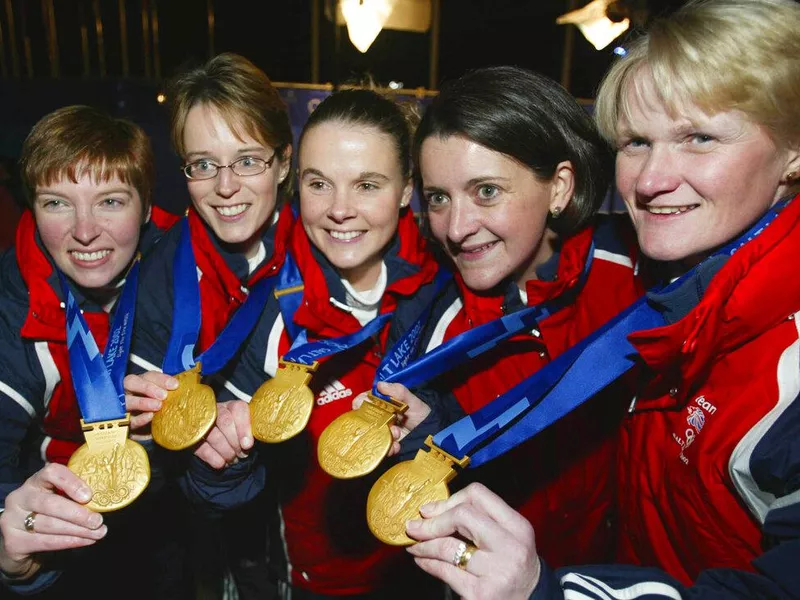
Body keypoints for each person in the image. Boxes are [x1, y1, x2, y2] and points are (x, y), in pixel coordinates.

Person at [403, 1, 800, 598]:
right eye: (636, 141)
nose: (649, 179)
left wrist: (548, 591)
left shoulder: (638, 278)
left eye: (699, 137)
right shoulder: (682, 285)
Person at [172, 88, 443, 598]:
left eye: (367, 184)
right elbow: (208, 497)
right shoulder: (269, 308)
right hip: (295, 581)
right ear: (297, 184)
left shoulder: (447, 291)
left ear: (407, 189)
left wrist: (435, 427)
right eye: (319, 184)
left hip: (423, 576)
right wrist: (227, 455)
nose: (340, 210)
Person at [366, 65, 640, 568]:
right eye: (439, 198)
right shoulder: (433, 332)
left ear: (559, 187)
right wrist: (437, 438)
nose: (457, 227)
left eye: (486, 191)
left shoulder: (643, 273)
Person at [123, 52, 295, 598]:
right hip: (205, 529)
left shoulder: (328, 258)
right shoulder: (158, 274)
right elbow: (143, 458)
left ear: (284, 163)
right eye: (203, 164)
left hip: (305, 522)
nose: (224, 187)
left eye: (247, 160)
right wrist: (142, 428)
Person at [0, 105, 183, 597]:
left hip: (170, 523)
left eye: (110, 201)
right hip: (58, 515)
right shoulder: (9, 301)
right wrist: (8, 540)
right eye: (56, 203)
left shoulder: (187, 273)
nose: (84, 231)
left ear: (146, 207)